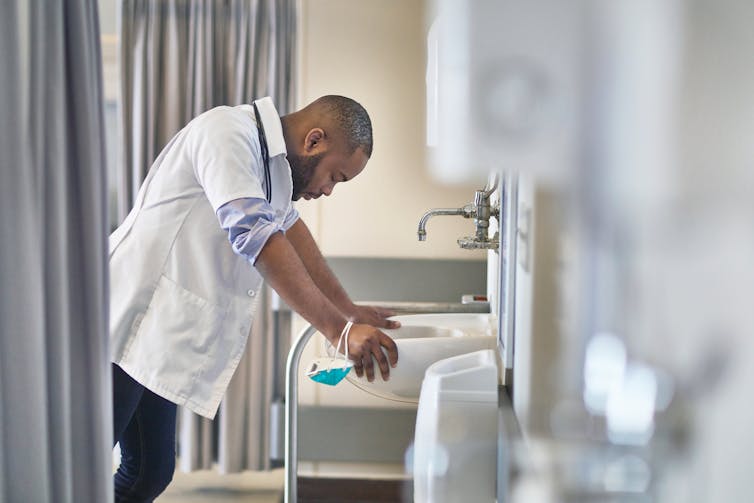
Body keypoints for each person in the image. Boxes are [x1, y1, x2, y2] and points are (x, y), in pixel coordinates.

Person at [108, 95, 400, 501]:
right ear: (314, 141)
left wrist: (346, 309)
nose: (329, 190)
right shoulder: (227, 133)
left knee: (149, 474)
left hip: (156, 333)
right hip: (125, 320)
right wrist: (338, 329)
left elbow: (291, 231)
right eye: (336, 176)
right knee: (80, 464)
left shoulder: (273, 169)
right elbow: (255, 234)